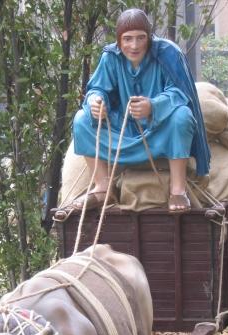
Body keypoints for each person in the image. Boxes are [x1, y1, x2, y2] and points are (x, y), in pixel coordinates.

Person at [71, 8, 210, 212]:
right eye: (127, 39)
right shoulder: (110, 57)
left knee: (182, 117)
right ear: (119, 40)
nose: (134, 46)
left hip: (159, 130)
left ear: (149, 37)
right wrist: (97, 101)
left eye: (140, 38)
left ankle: (178, 190)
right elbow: (98, 88)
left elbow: (180, 92)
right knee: (81, 119)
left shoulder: (168, 54)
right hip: (123, 132)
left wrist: (153, 106)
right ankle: (102, 188)